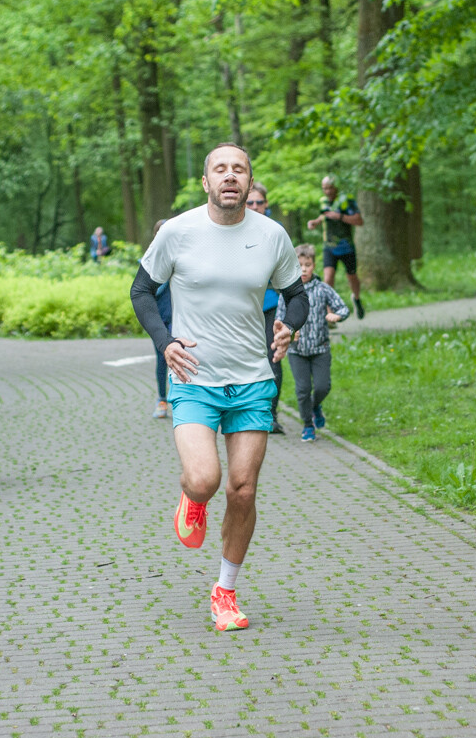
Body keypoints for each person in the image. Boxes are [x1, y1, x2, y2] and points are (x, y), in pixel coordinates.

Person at [130, 142, 309, 632]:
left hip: (253, 380)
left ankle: (225, 591)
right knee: (206, 479)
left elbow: (296, 297)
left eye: (240, 169)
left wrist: (288, 326)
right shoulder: (179, 232)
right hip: (193, 377)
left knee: (243, 490)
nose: (231, 176)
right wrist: (164, 341)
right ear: (206, 182)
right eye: (220, 169)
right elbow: (141, 290)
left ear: (249, 182)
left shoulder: (272, 235)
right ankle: (192, 496)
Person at [277, 244, 350, 442]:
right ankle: (308, 425)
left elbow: (343, 308)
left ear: (314, 265)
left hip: (320, 349)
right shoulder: (288, 293)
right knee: (302, 390)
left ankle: (315, 405)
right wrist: (289, 332)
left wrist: (336, 316)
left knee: (322, 387)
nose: (304, 269)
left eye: (307, 265)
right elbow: (280, 320)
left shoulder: (322, 289)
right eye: (299, 265)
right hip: (297, 351)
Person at [246, 182, 285, 433]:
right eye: (250, 203)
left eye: (259, 202)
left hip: (270, 302)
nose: (255, 207)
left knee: (273, 358)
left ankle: (271, 414)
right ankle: (245, 409)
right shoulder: (232, 226)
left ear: (266, 204)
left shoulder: (275, 231)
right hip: (240, 305)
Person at [306, 175, 365, 319]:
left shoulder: (346, 200)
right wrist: (315, 222)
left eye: (330, 188)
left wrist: (340, 217)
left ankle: (356, 298)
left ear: (336, 187)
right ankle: (329, 313)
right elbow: (324, 215)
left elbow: (359, 221)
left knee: (352, 277)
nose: (327, 191)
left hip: (346, 246)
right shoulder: (323, 201)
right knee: (328, 277)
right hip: (329, 246)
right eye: (324, 188)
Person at [149, 219, 171, 420]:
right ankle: (162, 399)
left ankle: (182, 399)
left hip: (181, 318)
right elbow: (147, 292)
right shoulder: (149, 260)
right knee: (162, 360)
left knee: (182, 357)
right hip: (159, 319)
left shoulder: (183, 257)